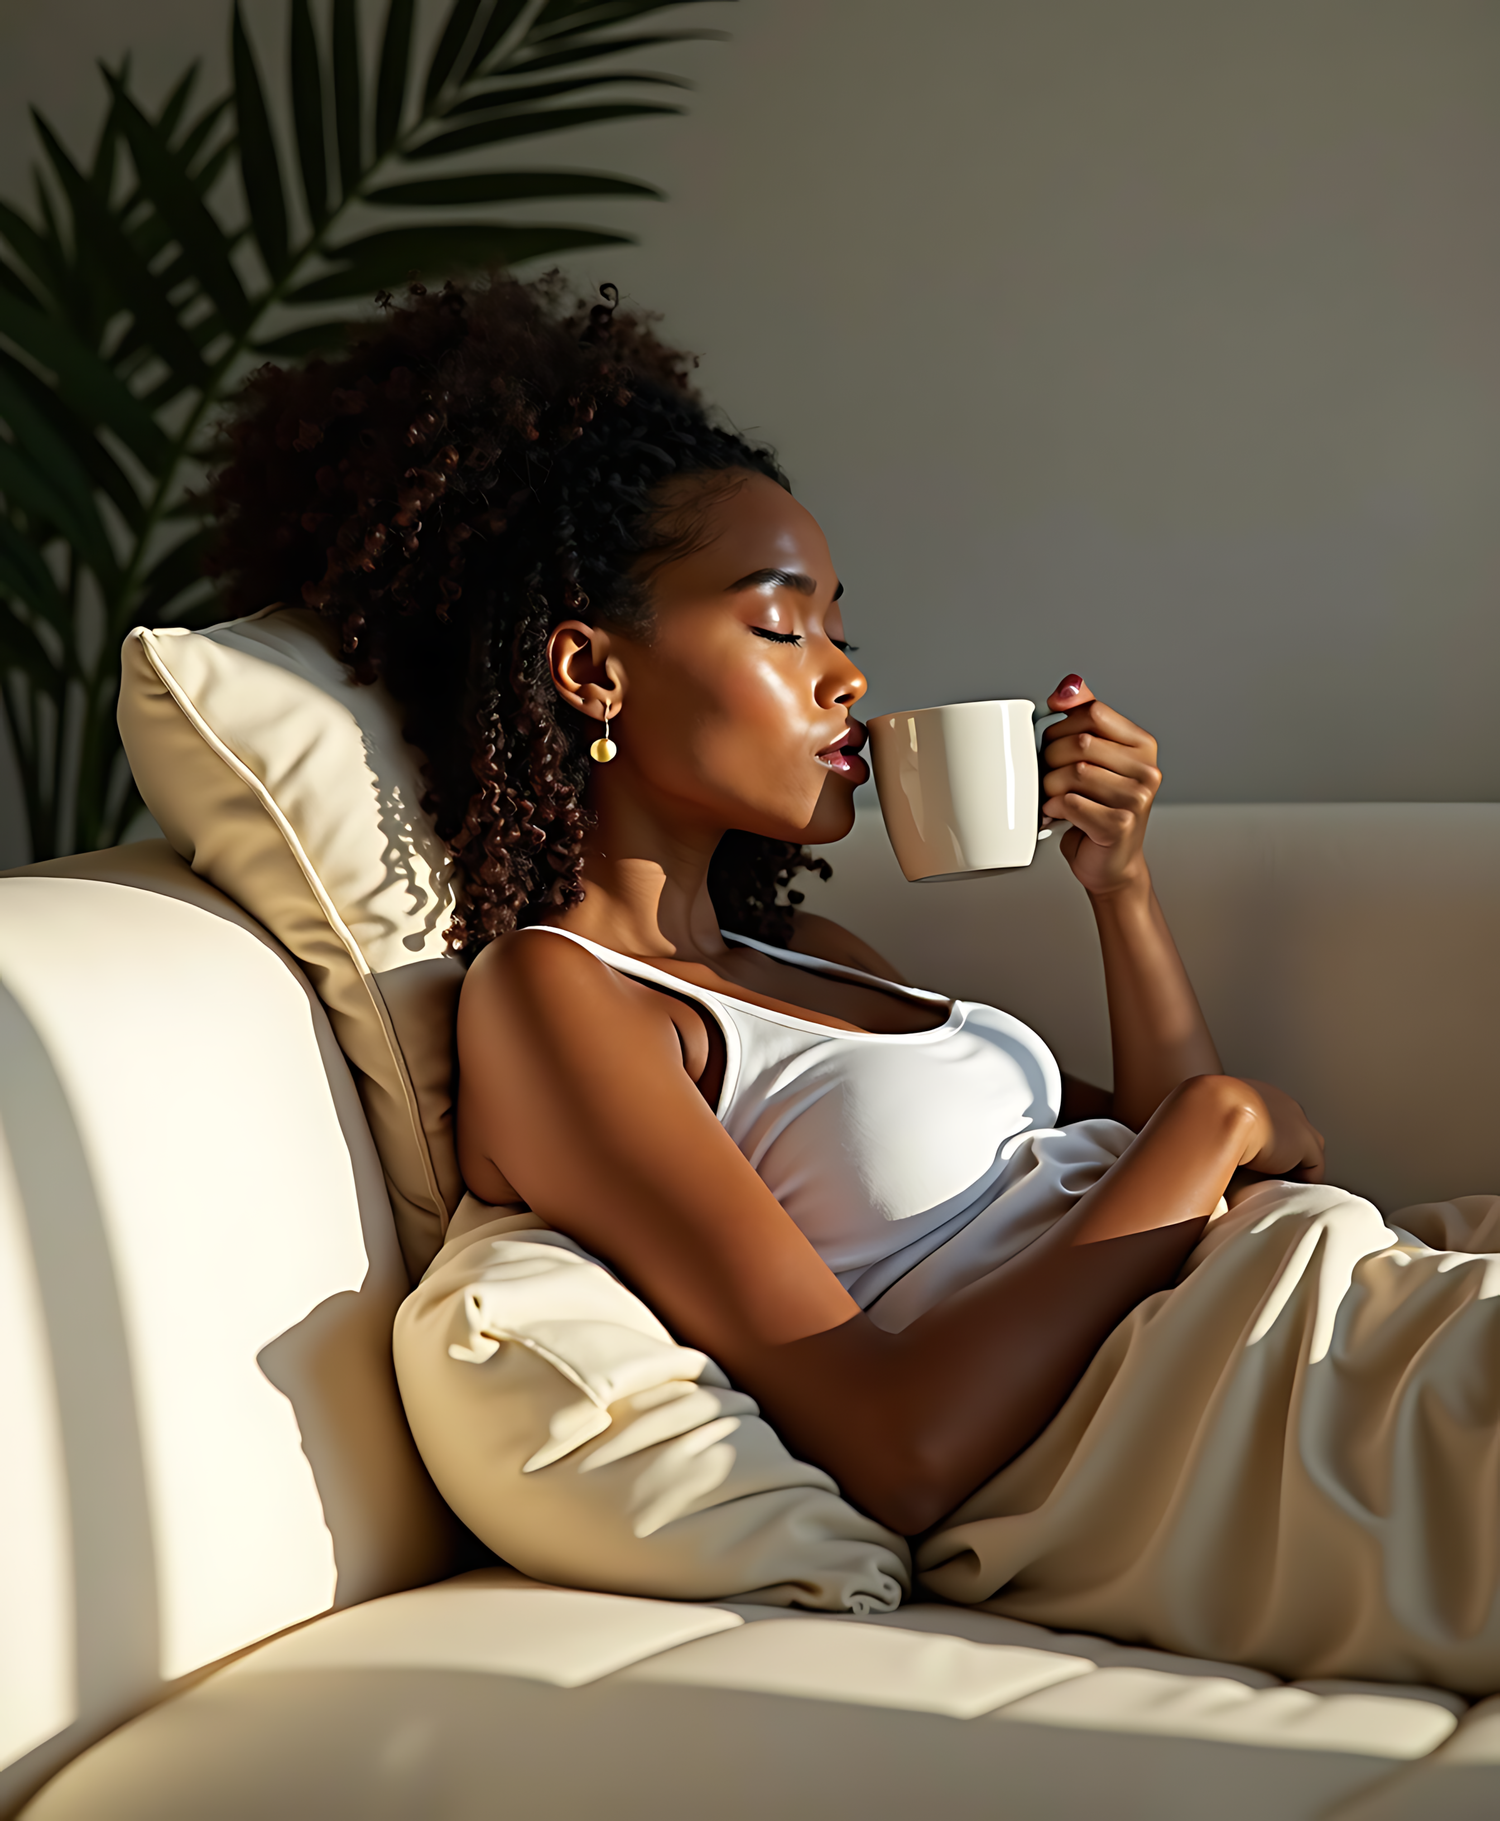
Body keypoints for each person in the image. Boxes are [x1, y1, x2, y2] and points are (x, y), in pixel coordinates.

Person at [209, 274, 1500, 1690]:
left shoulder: (813, 961)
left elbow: (1170, 1148)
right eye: (782, 628)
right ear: (591, 670)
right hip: (1260, 1424)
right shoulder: (556, 997)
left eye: (840, 626)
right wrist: (1211, 1137)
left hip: (1332, 1302)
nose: (847, 676)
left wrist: (1119, 891)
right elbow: (898, 1447)